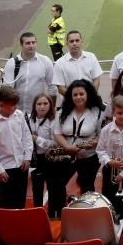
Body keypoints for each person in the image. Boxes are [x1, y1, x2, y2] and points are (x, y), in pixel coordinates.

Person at [50, 79, 104, 212]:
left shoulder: (98, 111)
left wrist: (88, 144)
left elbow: (101, 134)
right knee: (58, 184)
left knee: (87, 186)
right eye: (75, 95)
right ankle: (60, 212)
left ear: (88, 94)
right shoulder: (62, 111)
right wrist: (68, 148)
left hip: (88, 156)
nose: (78, 97)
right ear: (70, 96)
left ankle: (88, 212)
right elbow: (57, 133)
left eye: (81, 94)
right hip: (65, 155)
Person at [0, 86, 33, 212]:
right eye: (12, 105)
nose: (15, 107)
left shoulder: (19, 115)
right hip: (5, 168)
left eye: (16, 104)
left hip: (21, 164)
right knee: (7, 203)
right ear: (1, 103)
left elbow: (26, 136)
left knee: (20, 201)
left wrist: (27, 157)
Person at [2, 32, 54, 114]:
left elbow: (52, 87)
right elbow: (7, 89)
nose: (31, 45)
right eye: (28, 43)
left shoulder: (45, 61)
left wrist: (51, 108)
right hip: (16, 112)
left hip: (38, 112)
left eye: (33, 42)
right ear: (21, 45)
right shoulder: (12, 63)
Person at [26, 94, 56, 215]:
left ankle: (52, 213)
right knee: (36, 187)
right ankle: (36, 213)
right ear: (34, 106)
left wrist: (36, 139)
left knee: (52, 187)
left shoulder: (53, 121)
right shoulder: (28, 119)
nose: (42, 107)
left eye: (45, 104)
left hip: (50, 158)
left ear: (50, 105)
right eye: (39, 104)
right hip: (35, 158)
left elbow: (54, 143)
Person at [52, 31, 104, 96]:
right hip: (70, 103)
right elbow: (60, 88)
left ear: (81, 42)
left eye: (77, 40)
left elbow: (96, 80)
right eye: (71, 41)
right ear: (67, 43)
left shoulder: (91, 57)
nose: (74, 43)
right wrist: (74, 99)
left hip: (91, 101)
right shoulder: (59, 63)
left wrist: (89, 96)